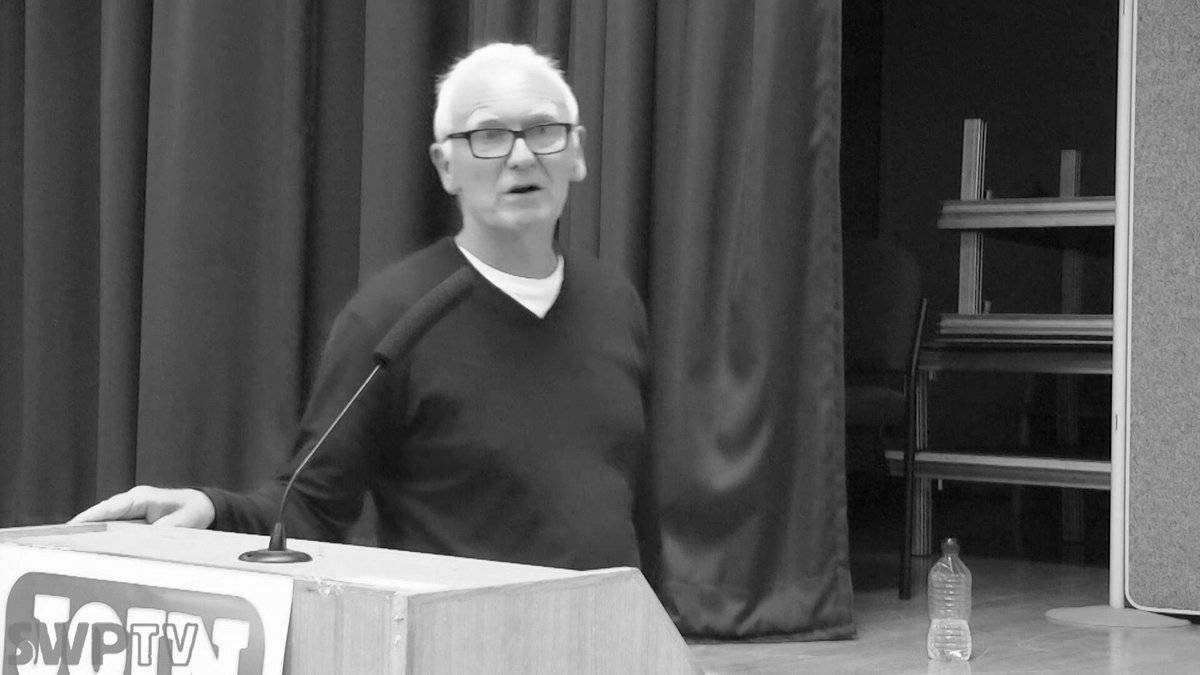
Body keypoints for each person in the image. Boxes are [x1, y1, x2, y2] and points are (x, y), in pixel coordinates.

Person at [71, 42, 650, 572]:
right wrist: (212, 509)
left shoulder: (613, 301)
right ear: (446, 166)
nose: (522, 156)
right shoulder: (395, 317)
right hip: (464, 633)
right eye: (490, 136)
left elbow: (633, 502)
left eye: (544, 130)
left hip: (614, 632)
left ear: (577, 151)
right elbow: (310, 506)